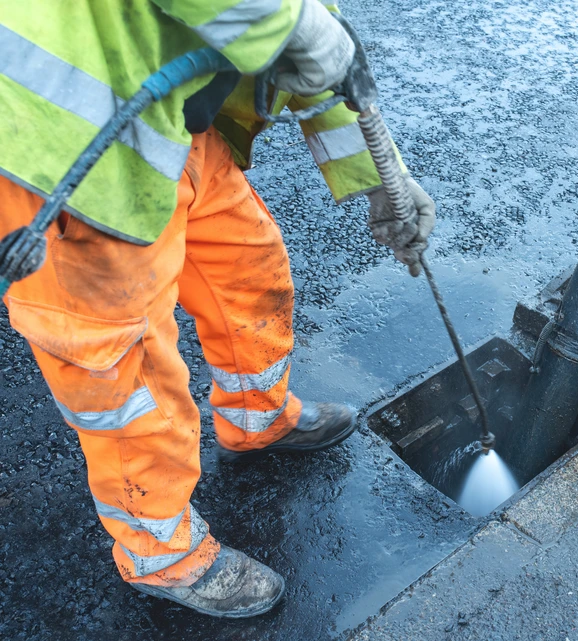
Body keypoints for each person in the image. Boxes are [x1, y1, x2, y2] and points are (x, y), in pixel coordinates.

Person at [0, 0, 435, 618]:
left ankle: (256, 417)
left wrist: (379, 177)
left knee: (249, 271)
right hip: (66, 149)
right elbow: (285, 24)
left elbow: (310, 54)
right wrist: (288, 23)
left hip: (173, 119)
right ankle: (160, 552)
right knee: (127, 376)